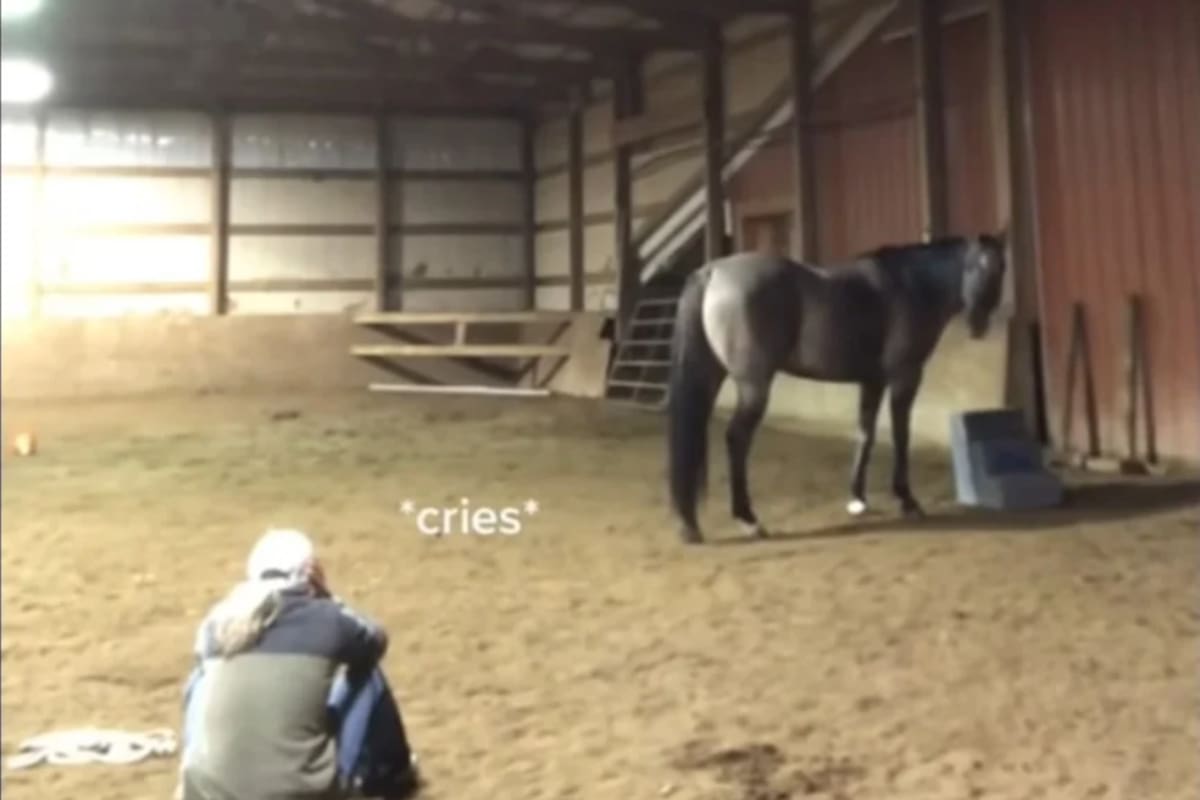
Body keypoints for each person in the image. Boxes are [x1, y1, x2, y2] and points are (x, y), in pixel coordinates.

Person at [177, 528, 420, 800]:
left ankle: (196, 774)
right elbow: (375, 641)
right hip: (301, 792)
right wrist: (327, 596)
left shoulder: (216, 623)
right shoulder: (329, 618)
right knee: (368, 672)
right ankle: (394, 776)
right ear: (310, 572)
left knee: (200, 677)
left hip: (209, 793)